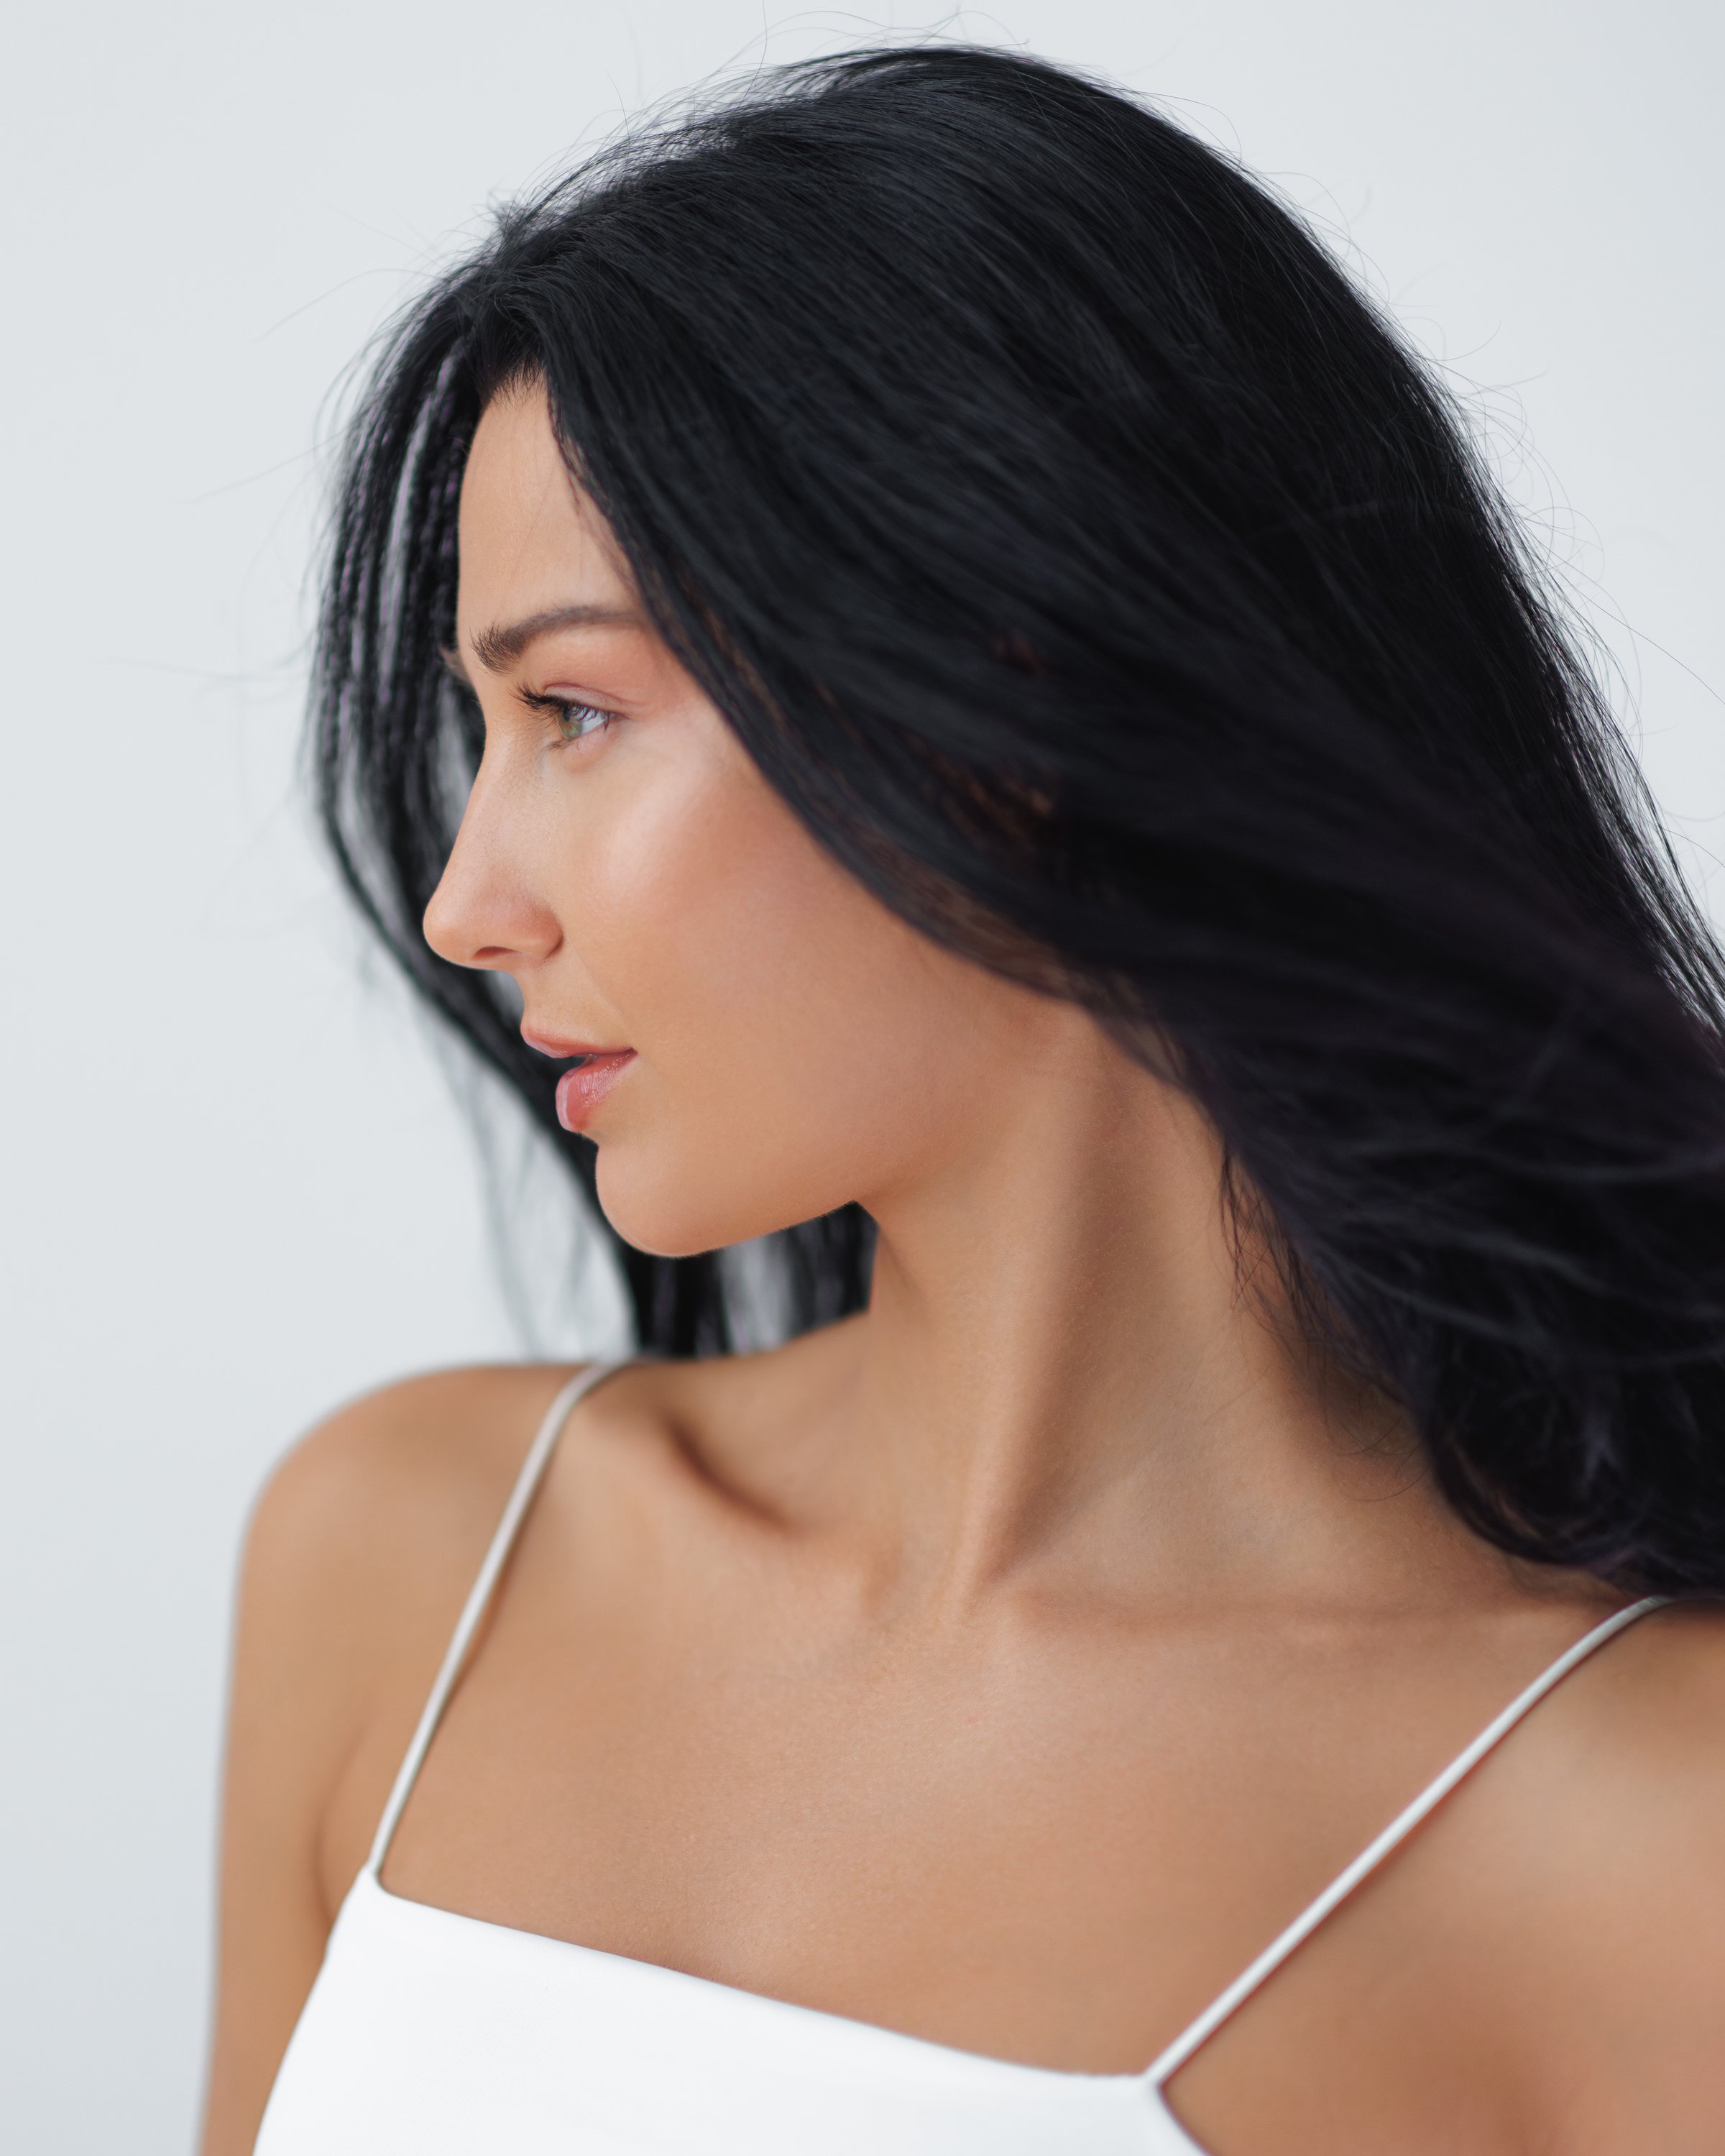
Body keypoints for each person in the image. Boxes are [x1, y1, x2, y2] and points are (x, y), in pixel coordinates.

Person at [200, 45, 1725, 2156]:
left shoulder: (1647, 1839)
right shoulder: (410, 1563)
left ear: (1017, 704)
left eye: (571, 708)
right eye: (487, 727)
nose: (469, 902)